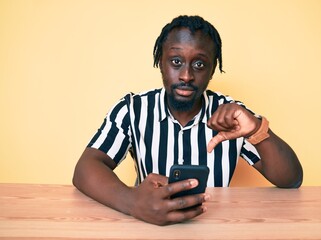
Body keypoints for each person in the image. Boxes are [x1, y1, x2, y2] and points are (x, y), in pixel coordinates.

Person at [73, 15, 303, 226]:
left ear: (213, 70)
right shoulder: (133, 108)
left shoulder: (233, 115)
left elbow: (291, 180)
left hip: (214, 227)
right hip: (149, 226)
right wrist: (132, 202)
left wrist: (257, 130)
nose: (186, 76)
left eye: (199, 64)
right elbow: (86, 167)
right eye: (175, 62)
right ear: (160, 63)